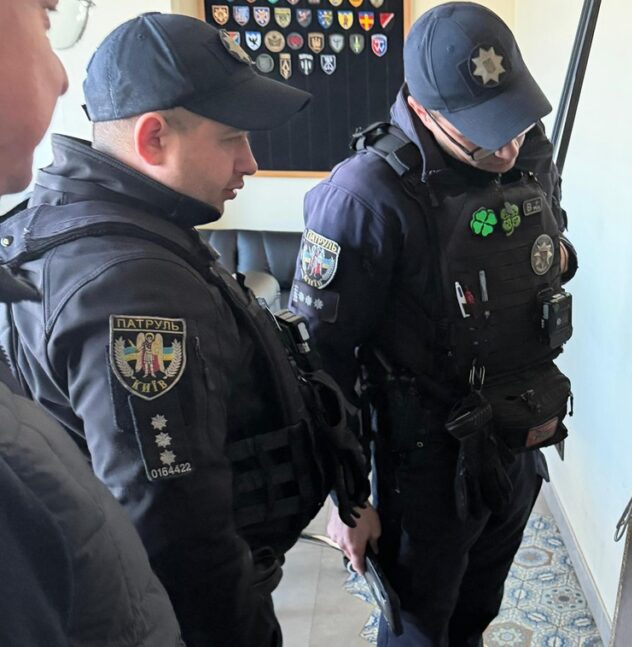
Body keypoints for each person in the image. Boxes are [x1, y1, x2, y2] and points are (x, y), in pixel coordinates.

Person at [0, 13, 367, 647]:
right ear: (153, 139)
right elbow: (175, 534)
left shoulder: (87, 220)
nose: (250, 162)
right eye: (232, 138)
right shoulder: (133, 289)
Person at [290, 3, 578, 644]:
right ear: (422, 110)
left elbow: (548, 249)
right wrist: (349, 499)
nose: (506, 147)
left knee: (475, 614)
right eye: (482, 131)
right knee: (419, 629)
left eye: (512, 121)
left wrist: (563, 257)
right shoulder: (364, 196)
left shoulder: (528, 152)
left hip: (517, 438)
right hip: (419, 465)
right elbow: (322, 363)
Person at [0, 1, 182, 645]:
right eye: (44, 18)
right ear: (154, 138)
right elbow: (162, 507)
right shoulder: (130, 279)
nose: (60, 78)